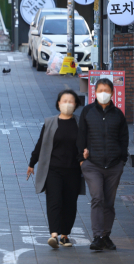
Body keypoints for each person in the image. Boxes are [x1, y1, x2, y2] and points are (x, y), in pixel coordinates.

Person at [27, 90, 84, 248]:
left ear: (76, 105)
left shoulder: (80, 123)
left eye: (71, 101)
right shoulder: (50, 122)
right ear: (58, 103)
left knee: (70, 203)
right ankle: (54, 234)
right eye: (64, 101)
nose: (67, 104)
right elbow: (41, 144)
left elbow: (86, 145)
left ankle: (65, 235)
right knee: (54, 201)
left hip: (73, 170)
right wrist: (32, 163)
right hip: (53, 170)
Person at [77, 78, 129, 251]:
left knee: (109, 202)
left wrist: (122, 160)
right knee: (97, 197)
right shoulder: (87, 111)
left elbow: (124, 139)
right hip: (92, 164)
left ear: (112, 93)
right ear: (95, 92)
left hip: (114, 166)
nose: (103, 93)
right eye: (100, 90)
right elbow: (81, 136)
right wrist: (81, 159)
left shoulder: (118, 114)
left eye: (106, 90)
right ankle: (97, 236)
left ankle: (106, 235)